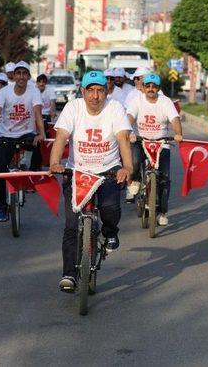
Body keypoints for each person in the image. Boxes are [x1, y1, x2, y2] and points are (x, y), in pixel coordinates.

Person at [48, 70, 133, 293]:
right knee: (72, 225)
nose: (95, 96)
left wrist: (128, 167)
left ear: (106, 91)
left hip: (108, 171)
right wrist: (55, 162)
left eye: (100, 90)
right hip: (78, 172)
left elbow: (123, 138)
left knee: (110, 208)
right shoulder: (73, 108)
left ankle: (110, 231)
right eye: (91, 91)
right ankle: (69, 274)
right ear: (83, 92)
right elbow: (61, 137)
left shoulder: (114, 108)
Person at [0, 61, 45, 222]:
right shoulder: (4, 92)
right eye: (18, 73)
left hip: (27, 134)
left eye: (24, 73)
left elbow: (38, 114)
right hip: (7, 136)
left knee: (40, 146)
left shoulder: (34, 91)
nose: (21, 76)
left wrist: (41, 133)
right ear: (13, 75)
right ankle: (1, 207)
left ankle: (32, 175)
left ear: (28, 76)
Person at [125, 73, 183, 224]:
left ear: (158, 88)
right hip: (140, 140)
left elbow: (175, 119)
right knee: (136, 161)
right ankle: (136, 180)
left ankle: (163, 212)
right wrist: (128, 131)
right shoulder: (136, 100)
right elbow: (129, 117)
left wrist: (178, 134)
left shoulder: (165, 102)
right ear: (143, 88)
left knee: (164, 178)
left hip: (161, 143)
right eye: (147, 86)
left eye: (154, 86)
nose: (150, 89)